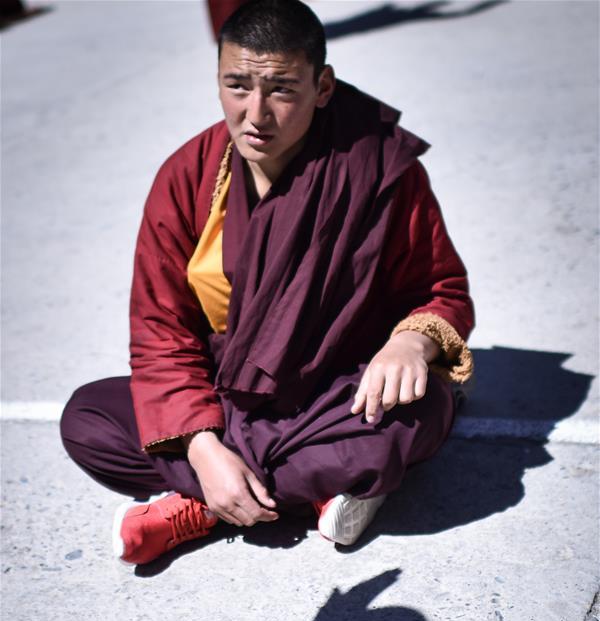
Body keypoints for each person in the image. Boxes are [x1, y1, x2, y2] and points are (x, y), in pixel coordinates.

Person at [60, 0, 474, 566]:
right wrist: (204, 447)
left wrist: (410, 343)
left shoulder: (375, 166)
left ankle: (203, 509)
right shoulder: (188, 177)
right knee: (88, 420)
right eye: (236, 86)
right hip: (228, 394)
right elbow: (160, 329)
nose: (255, 114)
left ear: (323, 85)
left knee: (411, 412)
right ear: (218, 78)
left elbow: (442, 288)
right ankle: (314, 487)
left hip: (340, 386)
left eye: (281, 89)